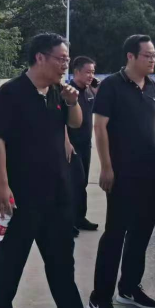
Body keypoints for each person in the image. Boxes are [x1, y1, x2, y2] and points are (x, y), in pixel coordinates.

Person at [0, 32, 110, 308]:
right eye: (61, 59)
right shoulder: (11, 93)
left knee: (61, 264)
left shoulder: (58, 91)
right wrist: (2, 185)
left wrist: (72, 102)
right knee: (10, 262)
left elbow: (76, 124)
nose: (65, 65)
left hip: (58, 196)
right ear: (40, 57)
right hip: (22, 197)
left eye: (67, 60)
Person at [87, 34, 155, 308]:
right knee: (115, 235)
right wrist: (106, 167)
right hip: (122, 175)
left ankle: (129, 288)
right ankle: (99, 298)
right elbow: (100, 127)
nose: (153, 59)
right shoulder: (112, 86)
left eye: (154, 55)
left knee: (142, 233)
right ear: (131, 56)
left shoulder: (152, 87)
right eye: (148, 55)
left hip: (149, 174)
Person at [67, 56, 100, 237]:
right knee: (73, 184)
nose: (91, 75)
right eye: (87, 72)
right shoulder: (68, 92)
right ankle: (69, 222)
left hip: (85, 144)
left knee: (83, 182)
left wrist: (95, 86)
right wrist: (66, 142)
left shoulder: (89, 92)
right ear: (76, 71)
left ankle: (80, 218)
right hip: (71, 145)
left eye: (93, 72)